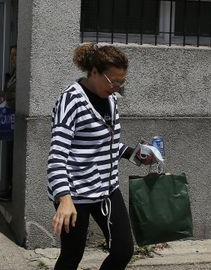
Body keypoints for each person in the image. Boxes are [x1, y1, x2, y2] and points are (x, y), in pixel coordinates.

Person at [47, 43, 156, 270]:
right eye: (112, 81)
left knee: (123, 250)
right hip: (75, 194)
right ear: (94, 72)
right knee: (72, 255)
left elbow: (108, 144)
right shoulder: (71, 100)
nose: (116, 87)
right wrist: (65, 199)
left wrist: (135, 155)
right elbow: (57, 155)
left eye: (121, 82)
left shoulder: (110, 100)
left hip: (106, 189)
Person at [0, 45, 17, 202]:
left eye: (15, 55)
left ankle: (11, 190)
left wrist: (7, 96)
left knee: (13, 157)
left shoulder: (22, 74)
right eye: (11, 55)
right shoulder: (13, 73)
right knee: (9, 155)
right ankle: (9, 188)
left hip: (15, 119)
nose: (12, 58)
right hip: (9, 119)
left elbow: (18, 94)